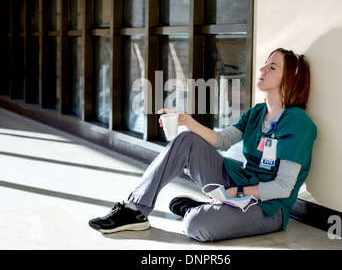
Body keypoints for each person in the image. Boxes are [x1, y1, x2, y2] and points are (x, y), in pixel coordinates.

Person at [88, 48, 317, 242]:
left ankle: (201, 210)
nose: (262, 69)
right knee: (187, 139)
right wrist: (187, 121)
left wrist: (236, 193)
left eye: (272, 67)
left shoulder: (297, 123)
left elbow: (282, 187)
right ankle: (134, 210)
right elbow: (223, 140)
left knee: (195, 225)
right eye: (265, 64)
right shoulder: (257, 113)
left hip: (268, 207)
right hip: (240, 183)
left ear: (290, 79)